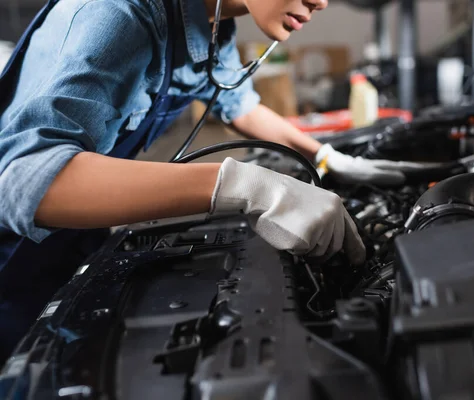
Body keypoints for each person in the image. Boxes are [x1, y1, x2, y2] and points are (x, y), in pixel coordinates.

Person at [0, 0, 407, 361]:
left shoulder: (207, 22)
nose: (320, 1)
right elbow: (25, 182)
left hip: (72, 236)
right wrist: (244, 186)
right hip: (11, 258)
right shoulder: (116, 13)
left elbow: (240, 104)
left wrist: (325, 156)